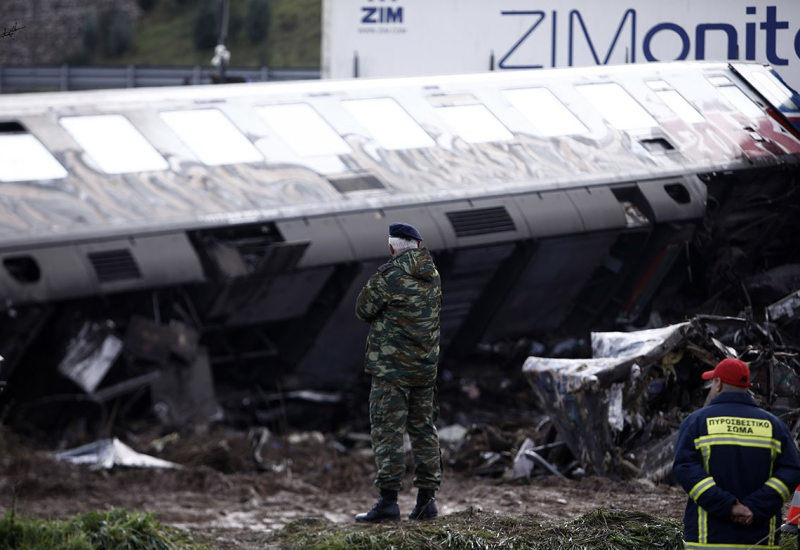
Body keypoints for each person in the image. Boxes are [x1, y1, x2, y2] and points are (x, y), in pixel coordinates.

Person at [354, 222, 443, 523]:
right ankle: (427, 502)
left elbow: (362, 310)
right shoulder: (433, 274)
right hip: (425, 367)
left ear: (392, 247)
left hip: (392, 369)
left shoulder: (389, 275)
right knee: (424, 429)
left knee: (387, 430)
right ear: (417, 246)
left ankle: (388, 502)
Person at [673, 358, 800, 550]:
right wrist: (754, 507)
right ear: (746, 386)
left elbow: (685, 469)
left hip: (706, 539)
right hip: (760, 539)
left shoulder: (696, 423)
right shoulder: (775, 426)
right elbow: (791, 471)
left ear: (718, 383)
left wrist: (729, 506)